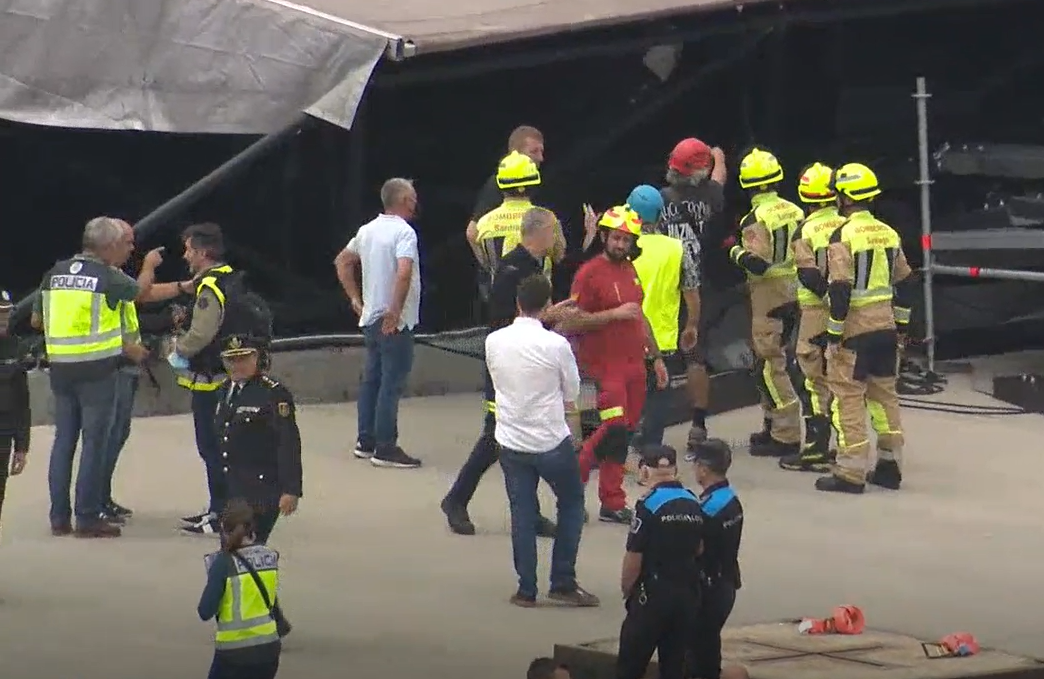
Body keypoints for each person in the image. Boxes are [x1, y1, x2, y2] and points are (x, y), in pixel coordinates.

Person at [31, 216, 172, 537]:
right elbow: (139, 291)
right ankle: (87, 516)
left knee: (63, 442)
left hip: (62, 368)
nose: (127, 251)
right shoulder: (106, 275)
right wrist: (149, 265)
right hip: (98, 370)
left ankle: (59, 517)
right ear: (108, 247)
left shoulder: (54, 274)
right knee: (95, 443)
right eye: (124, 245)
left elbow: (38, 321)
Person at [441, 207, 574, 537]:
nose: (556, 237)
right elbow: (501, 321)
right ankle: (456, 499)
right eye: (553, 230)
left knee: (521, 441)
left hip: (526, 364)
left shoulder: (533, 266)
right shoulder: (513, 270)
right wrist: (547, 316)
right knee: (495, 437)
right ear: (539, 231)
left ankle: (529, 512)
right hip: (507, 366)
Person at [486, 274, 597, 608]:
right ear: (548, 305)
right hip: (550, 439)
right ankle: (562, 580)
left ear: (518, 303)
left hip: (510, 438)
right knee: (572, 504)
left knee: (522, 513)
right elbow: (572, 392)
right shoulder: (556, 345)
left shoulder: (495, 340)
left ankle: (526, 588)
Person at [559, 207, 668, 524]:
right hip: (604, 368)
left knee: (623, 436)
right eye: (617, 238)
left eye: (626, 240)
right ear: (604, 236)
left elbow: (639, 315)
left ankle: (612, 500)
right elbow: (570, 320)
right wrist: (614, 315)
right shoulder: (589, 273)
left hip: (635, 366)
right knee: (610, 431)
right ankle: (572, 495)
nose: (621, 245)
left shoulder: (631, 271)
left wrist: (656, 356)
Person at [817, 163, 913, 494]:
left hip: (854, 332)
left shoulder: (842, 235)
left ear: (843, 197)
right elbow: (906, 282)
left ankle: (850, 472)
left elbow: (840, 288)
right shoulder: (889, 233)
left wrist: (832, 335)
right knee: (884, 396)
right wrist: (901, 327)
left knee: (847, 399)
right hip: (885, 328)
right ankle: (889, 466)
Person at [214, 332, 302, 635]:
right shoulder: (224, 390)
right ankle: (271, 617)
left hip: (263, 488)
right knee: (245, 554)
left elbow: (287, 443)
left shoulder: (272, 393)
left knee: (242, 551)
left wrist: (291, 488)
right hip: (235, 489)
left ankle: (261, 618)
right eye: (231, 360)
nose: (237, 365)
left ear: (256, 359)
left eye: (243, 358)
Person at [334, 178, 423, 470]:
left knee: (371, 379)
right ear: (405, 201)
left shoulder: (366, 230)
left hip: (370, 316)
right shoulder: (404, 233)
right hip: (394, 320)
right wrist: (395, 311)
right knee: (391, 383)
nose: (415, 203)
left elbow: (342, 261)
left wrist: (355, 299)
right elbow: (404, 272)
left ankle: (366, 439)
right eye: (412, 198)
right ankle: (386, 446)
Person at [728, 147, 805, 458]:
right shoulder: (796, 210)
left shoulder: (754, 218)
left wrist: (733, 250)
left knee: (770, 365)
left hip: (768, 295)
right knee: (775, 361)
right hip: (796, 291)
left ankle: (785, 434)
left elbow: (757, 264)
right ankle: (772, 424)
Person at [170, 223, 242, 534]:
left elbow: (201, 333)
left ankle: (220, 513)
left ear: (202, 252)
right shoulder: (230, 278)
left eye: (188, 249)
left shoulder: (209, 287)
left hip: (211, 380)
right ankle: (221, 508)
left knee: (212, 447)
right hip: (228, 375)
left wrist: (176, 350)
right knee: (222, 448)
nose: (185, 255)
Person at [658, 138, 728, 448]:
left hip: (664, 285)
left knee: (653, 353)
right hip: (699, 285)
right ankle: (698, 426)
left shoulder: (661, 199)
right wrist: (718, 155)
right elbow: (719, 176)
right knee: (695, 357)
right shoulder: (712, 196)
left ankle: (649, 423)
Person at [779, 163, 847, 473]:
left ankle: (816, 448)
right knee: (841, 376)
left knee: (806, 375)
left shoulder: (804, 229)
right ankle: (843, 445)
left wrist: (827, 298)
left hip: (815, 312)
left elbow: (807, 274)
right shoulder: (847, 224)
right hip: (848, 312)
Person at [616, 444, 705, 679]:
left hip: (654, 595)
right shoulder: (693, 501)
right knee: (674, 665)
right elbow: (699, 548)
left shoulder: (648, 505)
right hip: (687, 593)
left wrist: (628, 590)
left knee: (630, 664)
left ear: (645, 471)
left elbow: (634, 556)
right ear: (675, 470)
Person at [627, 185, 699, 450]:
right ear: (660, 215)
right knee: (658, 396)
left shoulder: (622, 246)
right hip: (664, 337)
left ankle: (626, 442)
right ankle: (652, 446)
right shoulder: (676, 248)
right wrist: (691, 325)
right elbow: (691, 292)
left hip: (625, 335)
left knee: (628, 394)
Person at [199, 499, 281, 679]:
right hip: (269, 649)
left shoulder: (222, 563)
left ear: (224, 530)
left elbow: (205, 611)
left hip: (233, 652)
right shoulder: (270, 556)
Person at [689, 439, 745, 679]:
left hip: (709, 588)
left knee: (699, 652)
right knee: (709, 645)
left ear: (703, 468)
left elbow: (696, 548)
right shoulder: (732, 499)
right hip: (727, 582)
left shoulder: (707, 508)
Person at [469, 150, 566, 283]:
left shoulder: (483, 224)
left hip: (499, 300)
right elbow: (559, 258)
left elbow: (487, 266)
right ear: (534, 183)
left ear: (500, 186)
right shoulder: (547, 219)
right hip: (540, 301)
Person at [0, 291, 30, 541]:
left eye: (7, 313)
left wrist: (22, 446)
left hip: (4, 432)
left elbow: (23, 401)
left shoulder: (15, 345)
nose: (3, 319)